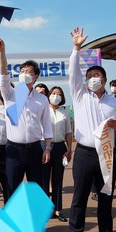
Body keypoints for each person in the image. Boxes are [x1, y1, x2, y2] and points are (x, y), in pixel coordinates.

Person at [67, 27, 116, 232]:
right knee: (79, 196)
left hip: (107, 153)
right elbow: (72, 73)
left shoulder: (114, 102)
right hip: (84, 152)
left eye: (97, 76)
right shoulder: (80, 96)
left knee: (106, 195)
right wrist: (76, 48)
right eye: (90, 76)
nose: (93, 79)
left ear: (105, 79)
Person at [0, 37, 53, 232]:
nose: (25, 74)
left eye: (29, 72)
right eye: (22, 71)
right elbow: (3, 76)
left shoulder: (41, 99)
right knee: (13, 190)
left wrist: (47, 148)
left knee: (37, 191)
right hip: (13, 150)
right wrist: (2, 51)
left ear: (36, 76)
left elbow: (47, 125)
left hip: (35, 149)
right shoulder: (12, 94)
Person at [43, 86, 73, 222]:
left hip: (60, 147)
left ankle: (58, 209)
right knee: (44, 179)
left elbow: (68, 132)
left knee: (58, 179)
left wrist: (69, 149)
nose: (56, 96)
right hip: (44, 147)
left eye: (59, 94)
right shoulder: (43, 110)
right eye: (53, 93)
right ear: (49, 95)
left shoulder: (64, 112)